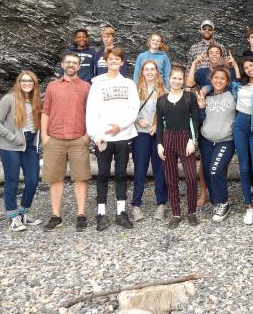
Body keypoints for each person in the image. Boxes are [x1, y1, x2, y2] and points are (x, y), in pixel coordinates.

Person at [87, 47, 139, 231]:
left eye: (117, 59)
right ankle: (101, 213)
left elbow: (134, 108)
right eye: (111, 59)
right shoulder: (97, 84)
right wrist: (96, 135)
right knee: (102, 174)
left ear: (122, 62)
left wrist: (121, 126)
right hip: (103, 138)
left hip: (123, 135)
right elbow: (91, 112)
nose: (114, 62)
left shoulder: (129, 84)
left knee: (121, 173)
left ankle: (121, 212)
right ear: (106, 62)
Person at [220, 57, 253, 230]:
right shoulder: (237, 84)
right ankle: (248, 207)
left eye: (251, 65)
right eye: (246, 67)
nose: (249, 68)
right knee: (243, 167)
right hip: (240, 125)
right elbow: (218, 85)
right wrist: (205, 89)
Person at [41, 53, 92, 232]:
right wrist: (44, 137)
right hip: (54, 138)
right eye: (68, 62)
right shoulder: (52, 86)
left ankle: (81, 214)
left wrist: (87, 136)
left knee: (81, 178)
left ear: (79, 66)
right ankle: (56, 215)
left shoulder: (87, 87)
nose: (71, 65)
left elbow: (91, 113)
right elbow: (45, 111)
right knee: (55, 179)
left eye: (75, 63)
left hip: (79, 138)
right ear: (63, 64)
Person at [0, 71, 43, 231]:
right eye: (24, 81)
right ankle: (13, 218)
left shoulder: (36, 101)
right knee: (12, 181)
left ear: (34, 84)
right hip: (11, 147)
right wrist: (12, 137)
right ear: (19, 82)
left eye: (30, 81)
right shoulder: (9, 99)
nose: (27, 83)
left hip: (30, 146)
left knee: (33, 182)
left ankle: (23, 213)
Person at [156, 66, 200, 228]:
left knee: (190, 177)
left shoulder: (189, 97)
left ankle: (191, 212)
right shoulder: (161, 100)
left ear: (184, 80)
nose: (177, 81)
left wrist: (191, 140)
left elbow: (195, 120)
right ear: (169, 79)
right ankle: (176, 213)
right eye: (174, 78)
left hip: (184, 138)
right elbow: (159, 124)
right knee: (171, 178)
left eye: (180, 78)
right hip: (168, 139)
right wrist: (159, 144)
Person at [196, 66, 236, 222]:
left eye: (222, 78)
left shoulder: (233, 93)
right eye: (216, 78)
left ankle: (223, 202)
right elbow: (200, 120)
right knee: (207, 172)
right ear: (211, 80)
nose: (219, 80)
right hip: (206, 139)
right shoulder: (205, 95)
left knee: (215, 170)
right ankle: (215, 200)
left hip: (226, 139)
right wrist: (201, 107)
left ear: (227, 81)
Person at [131, 60, 168, 222]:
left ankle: (161, 203)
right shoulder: (135, 89)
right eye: (146, 69)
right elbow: (128, 110)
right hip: (140, 133)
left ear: (157, 72)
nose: (150, 72)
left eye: (152, 69)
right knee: (140, 168)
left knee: (160, 168)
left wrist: (156, 124)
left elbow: (167, 113)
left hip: (158, 134)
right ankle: (136, 204)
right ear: (142, 72)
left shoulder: (163, 90)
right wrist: (138, 120)